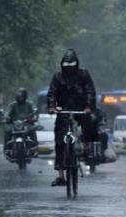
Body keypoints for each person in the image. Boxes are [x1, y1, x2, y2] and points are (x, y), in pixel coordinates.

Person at [47, 49, 97, 186]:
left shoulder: (83, 75)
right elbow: (51, 93)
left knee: (91, 124)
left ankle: (88, 149)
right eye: (66, 66)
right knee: (59, 140)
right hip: (63, 112)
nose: (69, 69)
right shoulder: (57, 77)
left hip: (81, 110)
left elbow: (90, 91)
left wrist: (88, 106)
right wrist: (51, 107)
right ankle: (61, 175)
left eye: (72, 66)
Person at [3, 88, 38, 153]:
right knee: (7, 131)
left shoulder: (30, 104)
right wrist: (6, 117)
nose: (20, 98)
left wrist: (34, 118)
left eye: (21, 96)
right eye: (19, 96)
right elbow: (7, 112)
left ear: (25, 96)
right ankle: (7, 149)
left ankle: (34, 148)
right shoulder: (12, 105)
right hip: (14, 124)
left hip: (27, 123)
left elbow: (34, 111)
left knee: (33, 130)